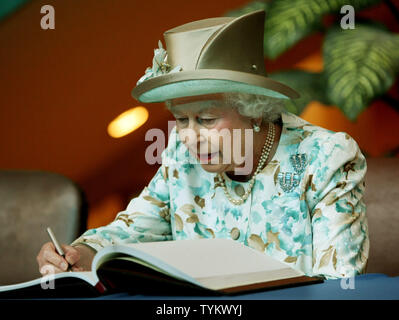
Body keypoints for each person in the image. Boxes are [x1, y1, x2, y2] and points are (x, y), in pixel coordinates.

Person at [37, 10, 369, 279]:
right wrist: (81, 252)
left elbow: (339, 283)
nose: (189, 136)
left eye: (207, 119)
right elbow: (132, 228)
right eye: (182, 120)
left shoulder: (327, 158)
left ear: (254, 110)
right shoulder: (182, 156)